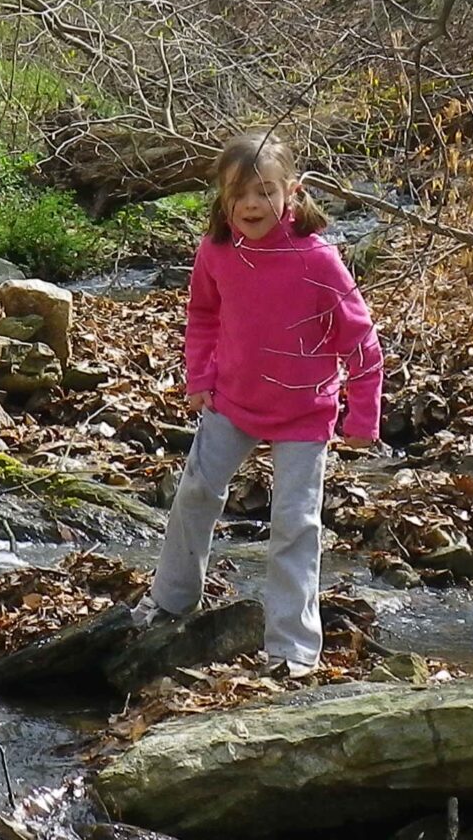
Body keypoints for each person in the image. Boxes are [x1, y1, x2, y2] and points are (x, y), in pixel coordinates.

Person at [129, 130, 384, 679]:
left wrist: (362, 415)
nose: (251, 205)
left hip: (305, 412)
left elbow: (360, 340)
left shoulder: (317, 259)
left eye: (265, 192)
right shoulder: (216, 252)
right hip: (232, 401)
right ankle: (171, 600)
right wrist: (200, 376)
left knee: (295, 523)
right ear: (223, 198)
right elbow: (202, 317)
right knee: (194, 494)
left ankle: (292, 648)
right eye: (239, 194)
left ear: (291, 192)